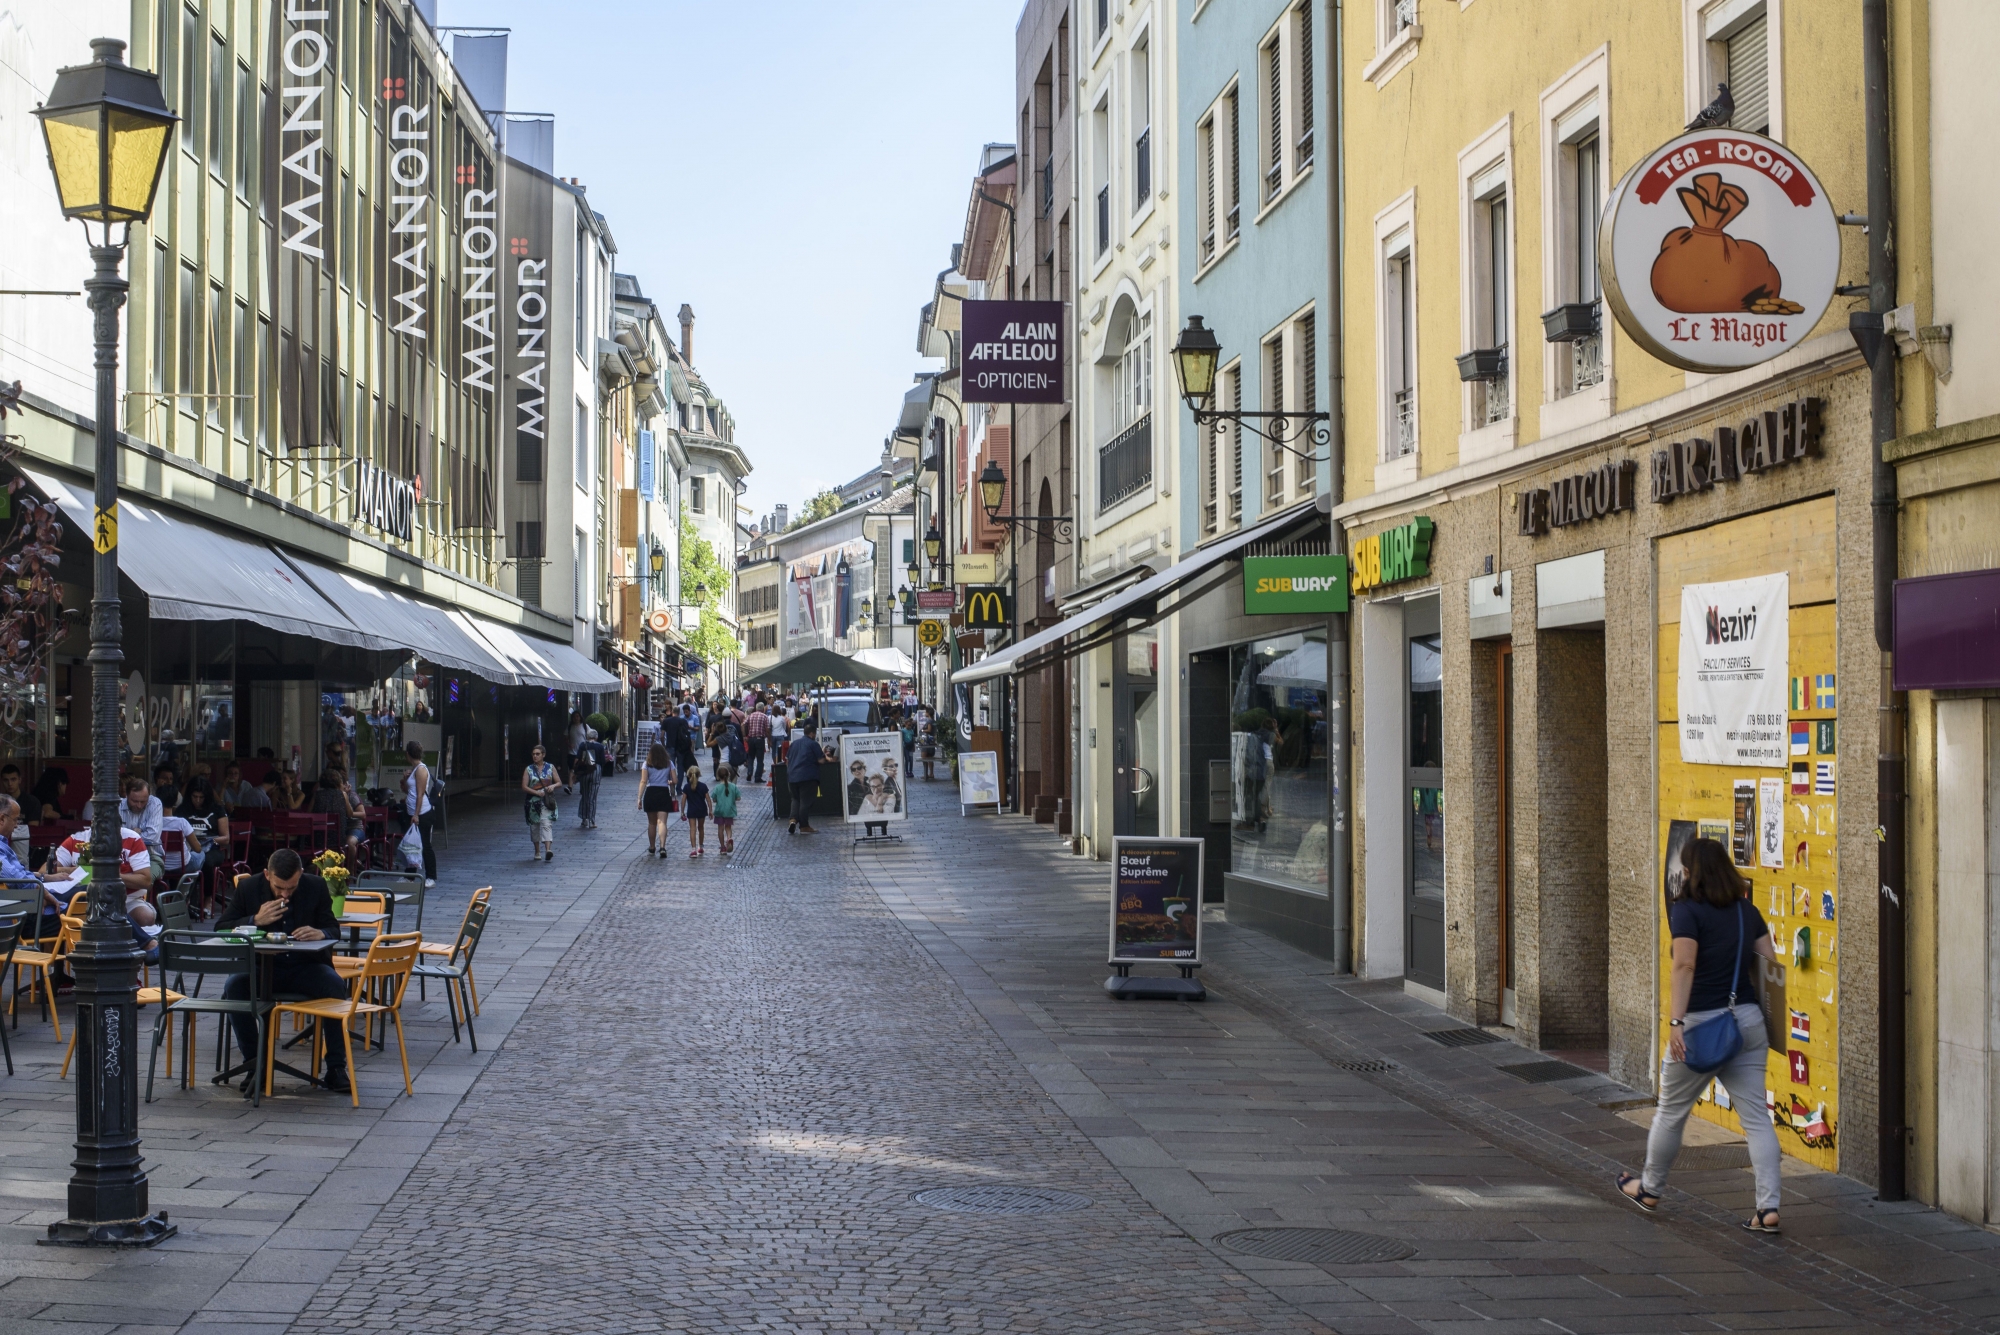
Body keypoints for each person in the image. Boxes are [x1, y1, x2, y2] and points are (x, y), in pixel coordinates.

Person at [1619, 837, 1783, 1233]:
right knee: (1757, 1120)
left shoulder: (1686, 911)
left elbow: (1684, 966)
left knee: (1671, 1113)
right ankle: (1768, 1209)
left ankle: (1650, 1189)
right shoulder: (1748, 911)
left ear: (1690, 873)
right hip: (1746, 1021)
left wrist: (1676, 1023)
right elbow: (1770, 965)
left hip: (1699, 1026)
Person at [214, 847, 351, 1094]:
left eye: (291, 887)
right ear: (267, 874)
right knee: (233, 987)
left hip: (305, 968)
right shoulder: (248, 888)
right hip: (259, 968)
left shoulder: (316, 886)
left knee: (334, 985)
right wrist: (253, 921)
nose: (285, 893)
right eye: (279, 887)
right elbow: (221, 928)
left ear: (301, 874)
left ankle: (336, 1068)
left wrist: (321, 933)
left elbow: (333, 928)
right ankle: (254, 1063)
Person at [402, 739, 436, 886]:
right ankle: (409, 875)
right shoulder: (414, 770)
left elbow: (420, 794)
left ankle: (431, 877)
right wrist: (404, 778)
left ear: (408, 754)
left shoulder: (421, 769)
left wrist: (416, 814)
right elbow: (408, 790)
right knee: (412, 844)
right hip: (413, 812)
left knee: (424, 845)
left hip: (422, 813)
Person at [309, 767, 364, 855]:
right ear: (338, 782)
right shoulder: (343, 794)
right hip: (338, 838)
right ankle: (350, 868)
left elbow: (309, 813)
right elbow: (349, 814)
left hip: (319, 838)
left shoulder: (317, 795)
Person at [522, 744, 561, 861]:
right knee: (534, 827)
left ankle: (548, 850)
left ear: (543, 755)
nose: (535, 756)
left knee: (546, 824)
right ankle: (537, 851)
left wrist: (552, 786)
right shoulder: (528, 769)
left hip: (546, 801)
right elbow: (524, 786)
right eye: (533, 754)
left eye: (537, 754)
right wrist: (536, 792)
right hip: (532, 803)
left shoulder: (550, 767)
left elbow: (559, 782)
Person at [639, 743, 677, 858]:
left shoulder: (647, 764)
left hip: (650, 793)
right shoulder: (669, 763)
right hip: (663, 793)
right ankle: (662, 847)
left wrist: (639, 798)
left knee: (652, 823)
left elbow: (643, 781)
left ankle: (652, 847)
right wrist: (669, 782)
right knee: (662, 822)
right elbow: (675, 780)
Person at [786, 722, 825, 835]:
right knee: (805, 801)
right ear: (812, 733)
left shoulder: (794, 743)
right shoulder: (813, 744)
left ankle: (793, 820)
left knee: (795, 799)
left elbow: (787, 760)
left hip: (792, 776)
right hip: (808, 776)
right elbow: (820, 760)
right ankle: (804, 826)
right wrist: (825, 755)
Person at [572, 727, 605, 830]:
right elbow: (602, 762)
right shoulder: (600, 746)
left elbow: (577, 759)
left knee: (585, 795)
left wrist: (574, 772)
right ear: (596, 737)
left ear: (587, 736)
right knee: (592, 797)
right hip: (596, 771)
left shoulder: (583, 745)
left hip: (585, 771)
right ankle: (592, 820)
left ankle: (584, 819)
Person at [679, 762, 709, 858]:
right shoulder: (703, 786)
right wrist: (711, 810)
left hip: (691, 810)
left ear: (688, 774)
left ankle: (693, 849)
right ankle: (701, 846)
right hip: (702, 809)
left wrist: (682, 811)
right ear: (699, 774)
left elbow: (683, 800)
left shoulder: (687, 787)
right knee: (701, 828)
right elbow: (708, 799)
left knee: (692, 829)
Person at [711, 764, 740, 855]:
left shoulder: (717, 788)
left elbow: (714, 799)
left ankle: (723, 847)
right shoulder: (733, 786)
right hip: (730, 810)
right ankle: (729, 839)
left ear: (718, 776)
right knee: (728, 827)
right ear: (729, 775)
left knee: (720, 828)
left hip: (720, 810)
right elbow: (738, 798)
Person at [743, 701, 770, 784]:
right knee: (760, 759)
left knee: (751, 757)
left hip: (751, 739)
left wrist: (744, 736)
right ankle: (757, 777)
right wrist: (769, 739)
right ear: (762, 709)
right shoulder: (765, 717)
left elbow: (743, 724)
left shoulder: (751, 715)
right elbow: (767, 729)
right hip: (760, 739)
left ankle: (750, 772)